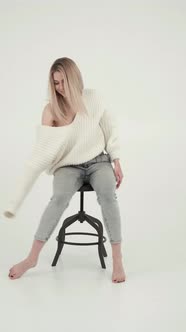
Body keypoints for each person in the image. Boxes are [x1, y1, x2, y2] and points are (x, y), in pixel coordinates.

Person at [4, 57, 126, 283]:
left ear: (74, 79)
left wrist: (116, 159)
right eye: (55, 83)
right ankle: (31, 258)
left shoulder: (93, 98)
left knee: (108, 194)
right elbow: (41, 154)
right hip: (67, 166)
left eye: (62, 82)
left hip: (99, 160)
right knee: (58, 198)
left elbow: (110, 128)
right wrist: (15, 201)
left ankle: (117, 259)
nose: (59, 88)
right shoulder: (51, 110)